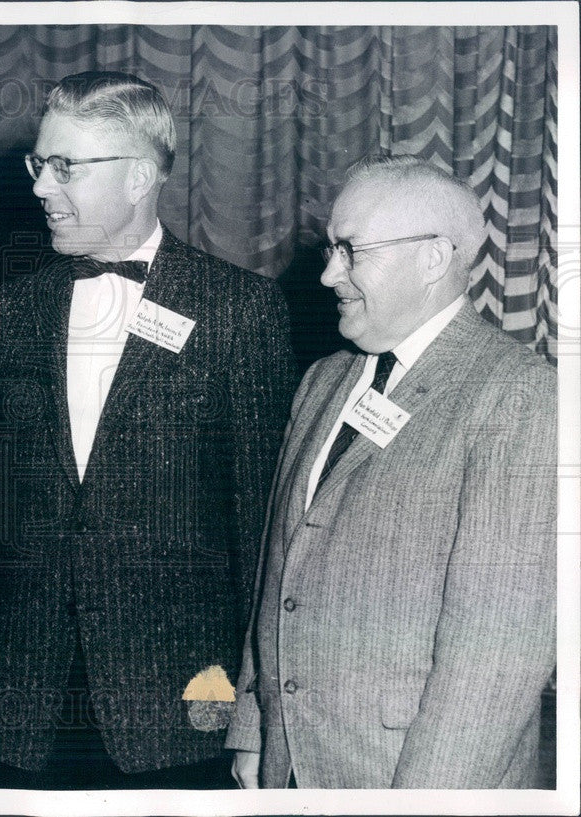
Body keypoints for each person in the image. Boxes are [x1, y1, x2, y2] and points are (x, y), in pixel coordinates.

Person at [0, 71, 297, 789]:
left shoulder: (240, 311)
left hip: (183, 708)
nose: (38, 187)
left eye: (65, 166)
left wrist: (253, 710)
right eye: (39, 163)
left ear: (139, 178)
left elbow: (262, 530)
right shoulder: (23, 307)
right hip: (19, 706)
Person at [226, 155, 556, 789]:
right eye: (331, 249)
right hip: (287, 763)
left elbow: (496, 660)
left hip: (408, 779)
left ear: (433, 258)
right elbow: (281, 567)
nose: (328, 275)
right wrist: (253, 727)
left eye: (351, 252)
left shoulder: (520, 398)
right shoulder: (324, 380)